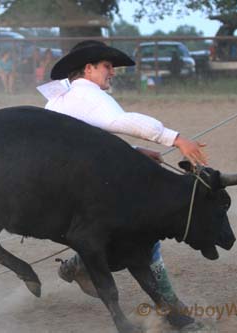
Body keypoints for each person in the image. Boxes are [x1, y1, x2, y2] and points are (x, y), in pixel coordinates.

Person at [43, 40, 207, 331]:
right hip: (81, 189)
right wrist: (176, 139)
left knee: (116, 228)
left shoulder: (62, 97)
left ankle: (80, 264)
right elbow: (121, 121)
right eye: (107, 66)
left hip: (60, 190)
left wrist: (132, 151)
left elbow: (92, 139)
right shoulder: (89, 94)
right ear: (89, 68)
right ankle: (171, 307)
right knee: (146, 231)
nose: (112, 73)